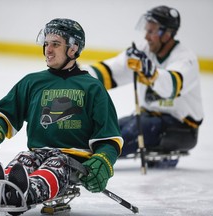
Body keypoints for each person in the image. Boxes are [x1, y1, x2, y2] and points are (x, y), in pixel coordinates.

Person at [0, 18, 123, 212]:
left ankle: (25, 193)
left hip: (73, 159)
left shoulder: (93, 87)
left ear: (73, 49)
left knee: (57, 164)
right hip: (38, 152)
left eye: (55, 44)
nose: (48, 50)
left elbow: (109, 137)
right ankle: (4, 187)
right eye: (46, 43)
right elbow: (5, 112)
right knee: (24, 159)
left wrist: (103, 160)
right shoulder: (32, 82)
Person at [82, 6, 203, 160]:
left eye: (151, 32)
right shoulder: (144, 50)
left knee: (125, 136)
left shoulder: (186, 59)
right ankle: (78, 151)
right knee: (106, 130)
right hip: (145, 117)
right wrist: (80, 77)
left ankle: (90, 159)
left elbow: (171, 86)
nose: (146, 37)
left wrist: (151, 73)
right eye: (146, 31)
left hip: (180, 127)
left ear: (167, 34)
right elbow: (112, 71)